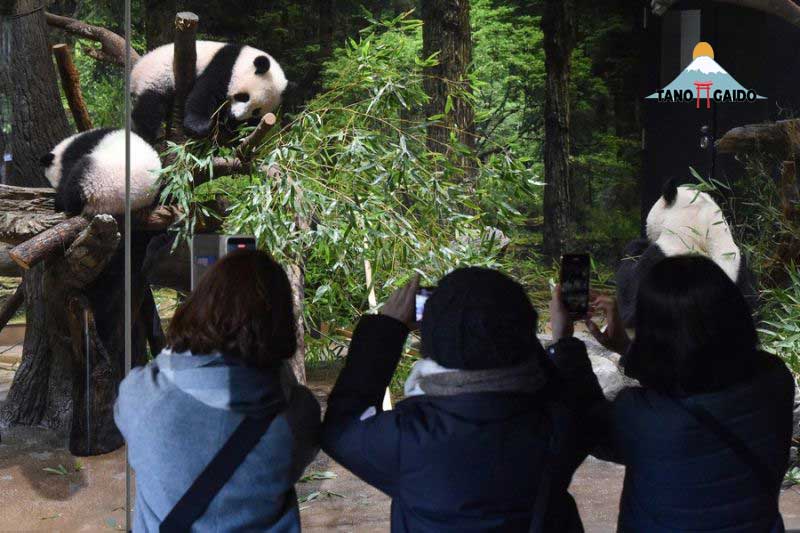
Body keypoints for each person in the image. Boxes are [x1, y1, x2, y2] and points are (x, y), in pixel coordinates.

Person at [321, 267, 593, 532]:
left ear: (431, 338)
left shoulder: (407, 439)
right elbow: (577, 398)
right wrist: (563, 339)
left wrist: (386, 330)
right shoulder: (562, 423)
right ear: (525, 333)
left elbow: (340, 428)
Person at [549, 255, 794, 533]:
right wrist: (626, 349)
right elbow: (697, 378)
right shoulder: (776, 381)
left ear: (653, 334)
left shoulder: (640, 416)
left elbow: (588, 425)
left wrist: (565, 341)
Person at [115, 250, 320, 532]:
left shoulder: (141, 394)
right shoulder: (297, 414)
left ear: (197, 305)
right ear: (280, 324)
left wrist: (182, 345)